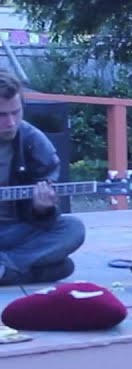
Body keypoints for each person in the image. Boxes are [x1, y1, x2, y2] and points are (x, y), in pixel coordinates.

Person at [0, 69, 85, 286]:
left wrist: (42, 208)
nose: (10, 123)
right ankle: (20, 270)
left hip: (16, 230)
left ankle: (5, 267)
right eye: (1, 115)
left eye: (16, 113)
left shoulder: (34, 142)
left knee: (73, 229)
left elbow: (46, 219)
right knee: (62, 268)